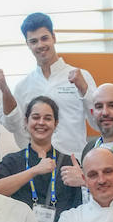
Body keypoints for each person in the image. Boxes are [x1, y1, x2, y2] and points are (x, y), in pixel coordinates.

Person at [12, 12, 96, 156]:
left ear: (54, 37)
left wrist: (84, 89)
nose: (40, 45)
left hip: (75, 162)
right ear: (27, 44)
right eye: (33, 41)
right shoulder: (22, 87)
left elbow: (97, 122)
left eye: (44, 38)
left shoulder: (82, 77)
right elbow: (20, 130)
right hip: (38, 167)